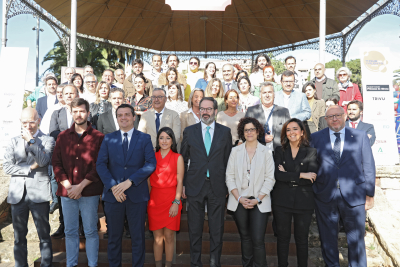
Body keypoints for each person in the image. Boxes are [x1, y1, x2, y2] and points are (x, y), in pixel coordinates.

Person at [310, 105, 376, 267]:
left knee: (356, 240)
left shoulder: (360, 136)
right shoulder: (316, 138)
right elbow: (311, 166)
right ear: (325, 120)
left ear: (345, 116)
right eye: (330, 117)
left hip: (355, 196)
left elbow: (368, 166)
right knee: (327, 239)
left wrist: (370, 194)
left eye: (338, 115)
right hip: (325, 196)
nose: (334, 119)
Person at [96, 104, 157, 267]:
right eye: (120, 115)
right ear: (117, 118)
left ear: (134, 117)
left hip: (137, 195)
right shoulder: (108, 138)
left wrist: (129, 182)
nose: (124, 117)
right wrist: (114, 187)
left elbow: (151, 164)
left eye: (127, 114)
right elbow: (100, 165)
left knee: (138, 238)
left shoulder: (144, 138)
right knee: (114, 238)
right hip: (113, 196)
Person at [180, 97, 232, 267]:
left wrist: (227, 185)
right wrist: (184, 185)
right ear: (198, 111)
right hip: (195, 186)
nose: (206, 112)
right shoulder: (189, 131)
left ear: (215, 111)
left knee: (217, 230)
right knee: (195, 229)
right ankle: (195, 263)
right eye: (202, 109)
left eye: (209, 109)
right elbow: (183, 159)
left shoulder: (225, 132)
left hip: (217, 186)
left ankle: (214, 263)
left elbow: (227, 161)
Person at [52, 98, 105, 267]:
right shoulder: (62, 136)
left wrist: (80, 186)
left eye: (82, 111)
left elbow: (100, 165)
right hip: (67, 193)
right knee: (70, 231)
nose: (78, 114)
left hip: (89, 192)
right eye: (75, 111)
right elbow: (56, 163)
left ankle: (92, 264)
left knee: (90, 231)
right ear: (71, 113)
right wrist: (69, 186)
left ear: (88, 113)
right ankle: (71, 264)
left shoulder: (98, 137)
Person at [4, 107, 54, 267]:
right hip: (18, 194)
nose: (28, 125)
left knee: (44, 235)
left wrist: (31, 141)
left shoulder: (47, 140)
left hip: (39, 193)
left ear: (38, 120)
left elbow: (44, 161)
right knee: (19, 236)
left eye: (31, 121)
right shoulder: (13, 141)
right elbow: (7, 167)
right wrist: (30, 168)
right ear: (20, 122)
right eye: (24, 122)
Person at [225, 117, 275, 267]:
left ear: (258, 131)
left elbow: (270, 179)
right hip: (239, 200)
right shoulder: (235, 151)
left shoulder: (266, 152)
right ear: (242, 132)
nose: (249, 132)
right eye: (246, 130)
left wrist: (258, 199)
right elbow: (229, 176)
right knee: (245, 237)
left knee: (258, 239)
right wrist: (239, 198)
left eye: (252, 129)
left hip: (259, 201)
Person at [273, 118, 318, 267]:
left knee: (302, 239)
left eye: (295, 129)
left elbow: (312, 177)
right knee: (282, 238)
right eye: (288, 129)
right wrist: (301, 174)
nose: (291, 132)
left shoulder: (311, 152)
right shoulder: (279, 150)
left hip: (303, 202)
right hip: (282, 201)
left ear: (302, 132)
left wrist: (289, 175)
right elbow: (278, 175)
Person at [148, 127, 184, 267]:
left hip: (171, 200)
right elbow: (147, 180)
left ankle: (168, 265)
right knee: (157, 238)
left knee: (169, 237)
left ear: (172, 141)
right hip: (154, 201)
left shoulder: (178, 157)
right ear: (157, 140)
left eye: (168, 138)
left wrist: (176, 201)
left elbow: (180, 181)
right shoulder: (152, 156)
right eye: (161, 137)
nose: (164, 141)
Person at [49, 84, 80, 239]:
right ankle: (63, 224)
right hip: (64, 158)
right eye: (66, 93)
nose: (69, 95)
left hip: (82, 158)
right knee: (64, 192)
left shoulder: (84, 112)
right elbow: (53, 132)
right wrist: (69, 135)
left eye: (71, 93)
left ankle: (81, 224)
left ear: (77, 94)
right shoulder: (57, 113)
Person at [245, 82, 291, 151]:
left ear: (274, 94)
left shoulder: (284, 112)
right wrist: (261, 138)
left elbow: (289, 133)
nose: (267, 95)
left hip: (279, 154)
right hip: (257, 153)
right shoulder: (251, 111)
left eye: (270, 92)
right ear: (260, 95)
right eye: (264, 93)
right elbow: (245, 133)